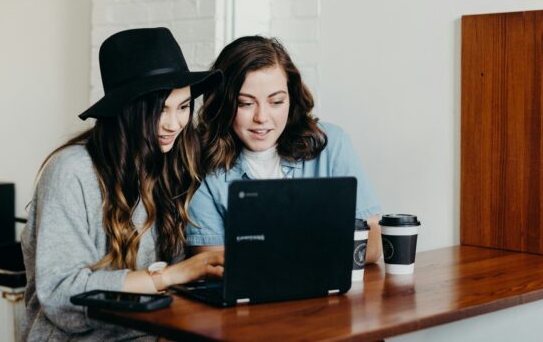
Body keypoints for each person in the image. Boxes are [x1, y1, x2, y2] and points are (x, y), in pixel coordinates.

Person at [21, 28, 224, 341]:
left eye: (183, 107)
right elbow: (61, 293)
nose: (174, 124)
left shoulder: (171, 164)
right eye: (160, 110)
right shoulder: (72, 171)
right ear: (128, 109)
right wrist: (168, 276)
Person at [186, 35, 382, 262]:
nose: (262, 117)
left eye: (276, 102)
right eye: (246, 104)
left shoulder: (331, 144)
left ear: (291, 98)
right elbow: (211, 263)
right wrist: (320, 244)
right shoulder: (202, 164)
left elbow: (373, 243)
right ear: (223, 104)